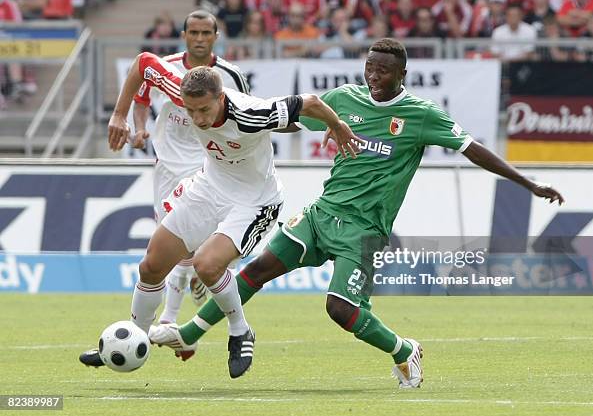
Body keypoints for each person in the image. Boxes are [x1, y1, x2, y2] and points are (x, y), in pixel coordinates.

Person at [148, 38, 565, 389]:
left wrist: (528, 184)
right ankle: (187, 335)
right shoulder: (345, 99)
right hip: (321, 214)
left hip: (364, 229)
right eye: (369, 68)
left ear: (401, 75)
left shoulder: (420, 115)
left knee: (340, 310)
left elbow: (473, 149)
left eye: (383, 71)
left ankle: (405, 350)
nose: (374, 77)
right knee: (256, 271)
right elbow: (293, 119)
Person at [78, 50, 361, 378]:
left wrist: (337, 125)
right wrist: (119, 115)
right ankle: (131, 339)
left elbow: (310, 101)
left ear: (221, 97)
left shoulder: (251, 113)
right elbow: (142, 63)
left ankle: (240, 331)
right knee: (151, 265)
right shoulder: (180, 88)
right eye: (191, 110)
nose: (197, 119)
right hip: (208, 188)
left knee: (207, 265)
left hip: (255, 201)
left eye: (204, 109)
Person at [132, 10, 250, 330]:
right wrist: (139, 128)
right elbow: (141, 98)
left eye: (205, 34)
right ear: (184, 35)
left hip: (206, 163)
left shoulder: (230, 74)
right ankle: (190, 288)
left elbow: (244, 115)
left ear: (215, 37)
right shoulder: (166, 66)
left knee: (187, 238)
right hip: (168, 164)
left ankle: (169, 318)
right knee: (170, 243)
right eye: (193, 33)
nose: (199, 39)